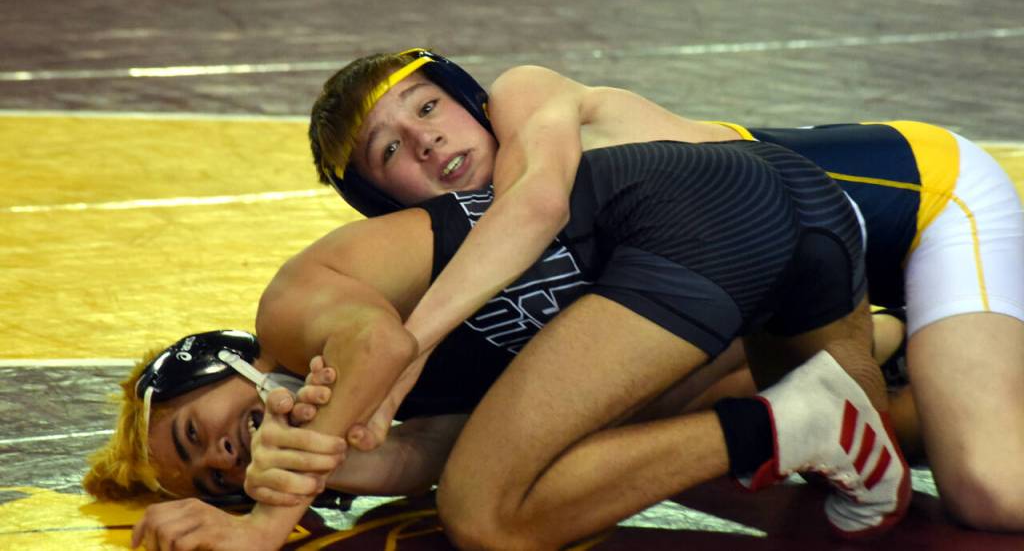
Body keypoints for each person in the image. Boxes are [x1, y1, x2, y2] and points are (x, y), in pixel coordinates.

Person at [309, 48, 1024, 532]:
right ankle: (906, 354)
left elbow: (534, 206)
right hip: (808, 290)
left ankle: (911, 351)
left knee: (987, 486)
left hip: (924, 206)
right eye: (391, 149)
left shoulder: (526, 98)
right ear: (383, 201)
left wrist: (412, 345)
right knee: (642, 426)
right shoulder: (472, 259)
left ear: (468, 99)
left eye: (426, 108)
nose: (424, 139)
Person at [90, 140, 908, 550]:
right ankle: (825, 409)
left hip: (696, 215)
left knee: (483, 514)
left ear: (223, 360)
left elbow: (381, 345)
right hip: (783, 218)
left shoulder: (291, 309)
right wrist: (344, 466)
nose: (227, 456)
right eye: (215, 479)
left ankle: (787, 420)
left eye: (200, 432)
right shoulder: (338, 426)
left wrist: (264, 524)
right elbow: (435, 451)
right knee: (868, 499)